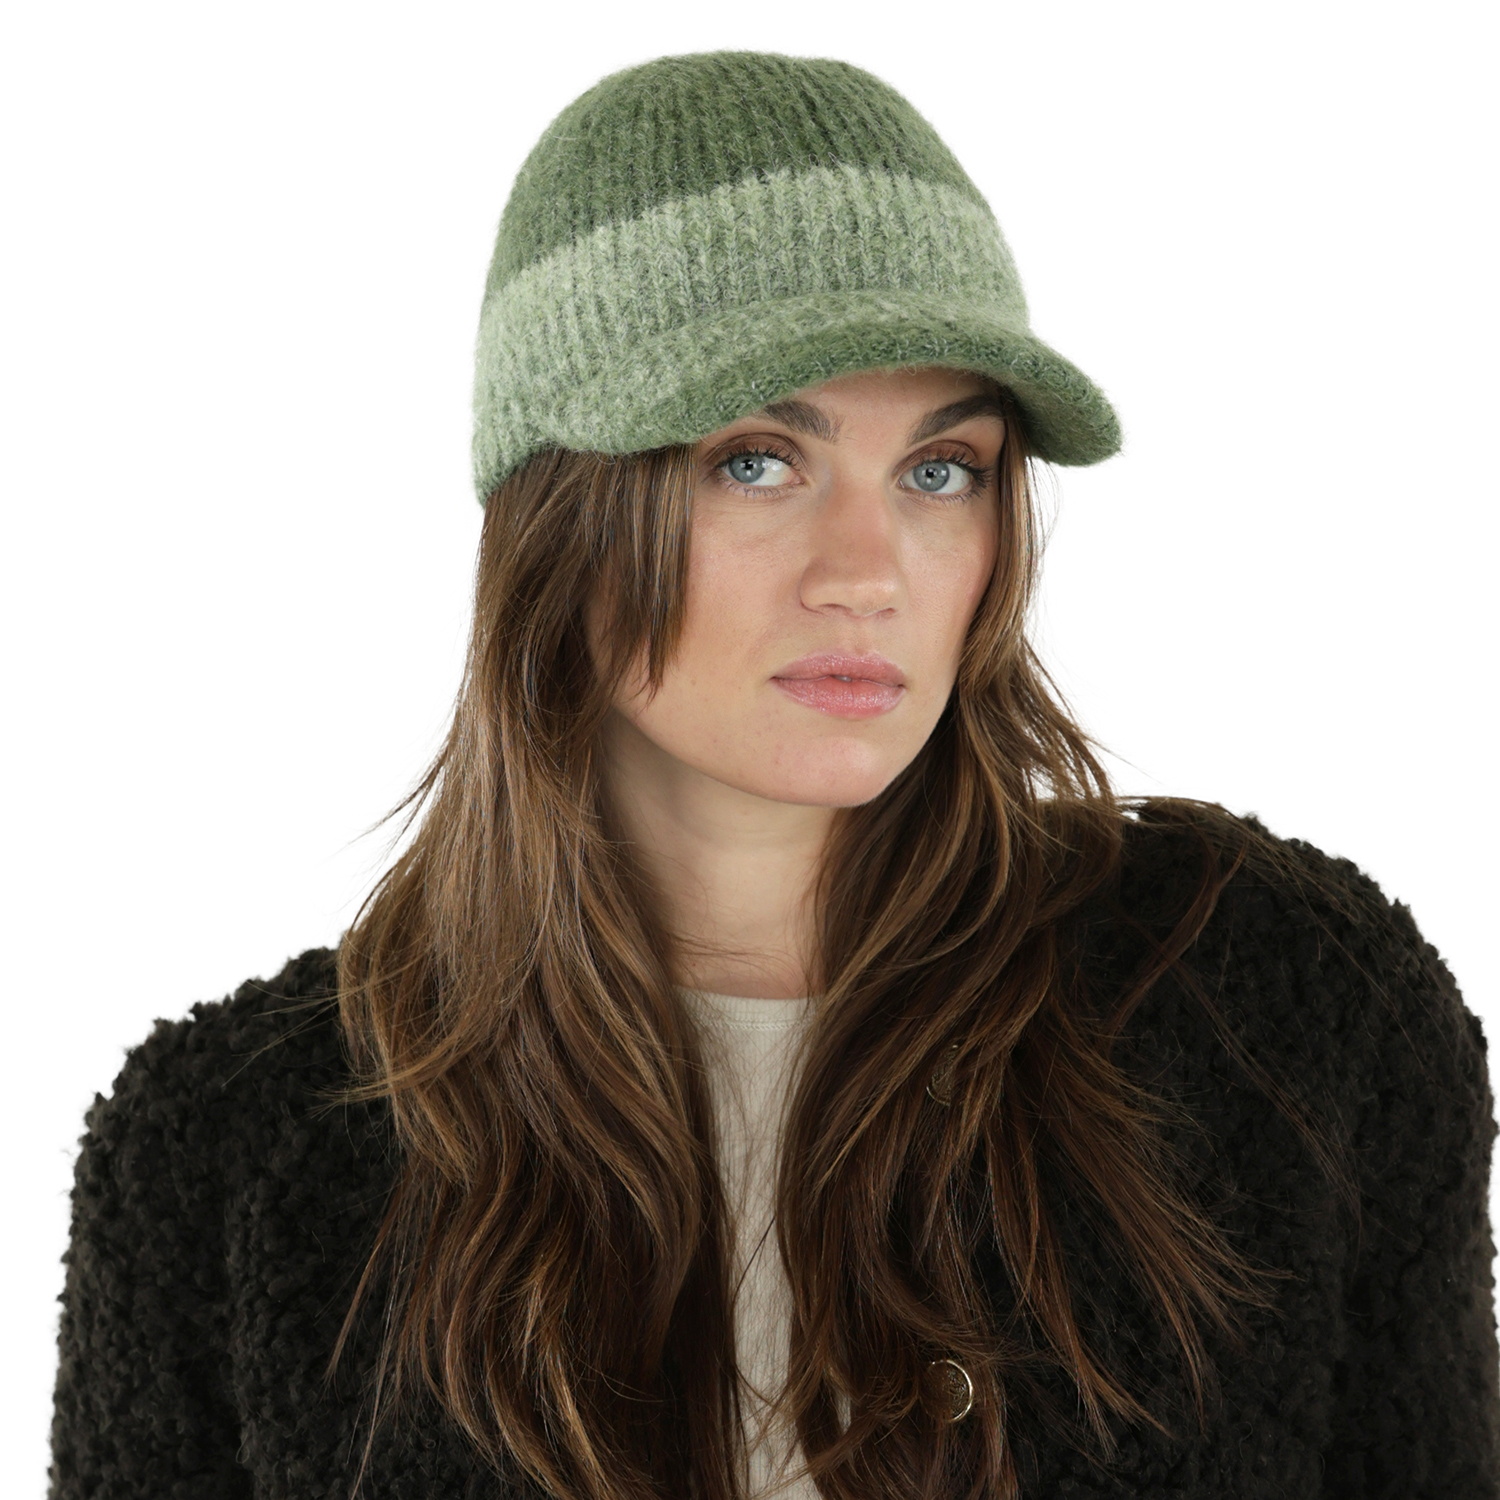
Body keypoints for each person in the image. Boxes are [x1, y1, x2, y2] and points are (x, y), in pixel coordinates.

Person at [48, 49, 1499, 1500]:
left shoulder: (1276, 1013)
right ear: (561, 512)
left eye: (942, 469)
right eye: (755, 459)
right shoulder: (233, 1153)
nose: (868, 572)